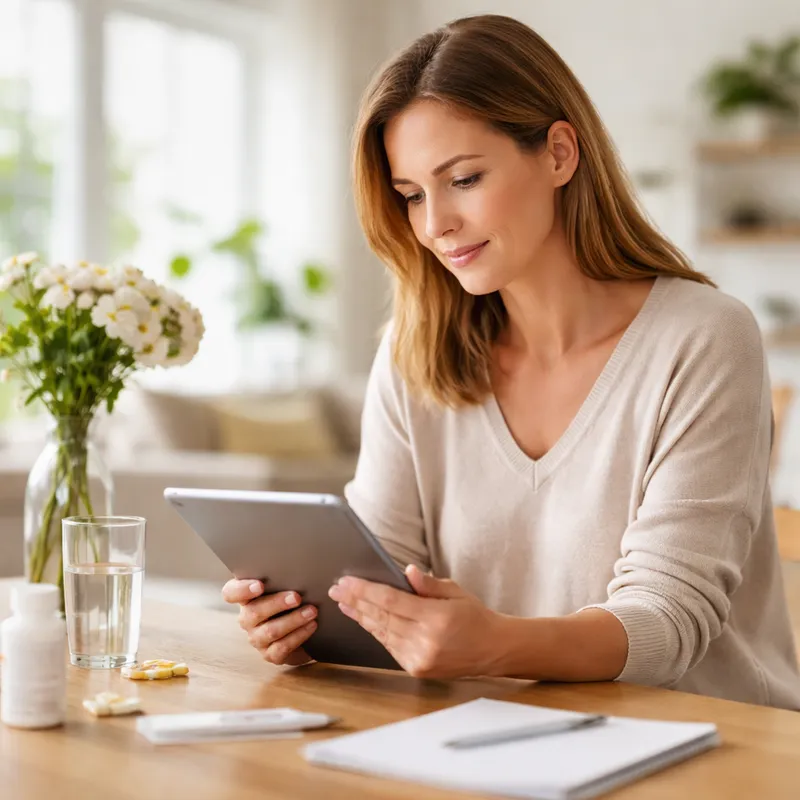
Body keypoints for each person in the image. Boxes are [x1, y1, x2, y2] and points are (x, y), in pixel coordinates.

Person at [222, 14, 800, 709]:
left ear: (559, 153)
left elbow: (668, 623)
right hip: (493, 731)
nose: (435, 224)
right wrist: (312, 621)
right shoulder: (415, 354)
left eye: (464, 178)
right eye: (411, 196)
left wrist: (494, 644)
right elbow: (376, 573)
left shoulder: (703, 338)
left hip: (711, 737)